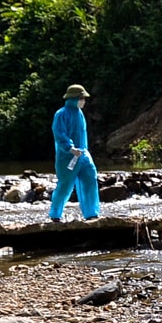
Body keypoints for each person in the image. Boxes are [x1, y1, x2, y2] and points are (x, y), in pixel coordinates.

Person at [49, 84, 100, 222]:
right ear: (74, 98)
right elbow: (59, 134)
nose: (84, 101)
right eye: (82, 98)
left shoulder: (80, 113)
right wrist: (70, 148)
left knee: (90, 178)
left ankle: (92, 213)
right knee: (65, 186)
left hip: (83, 155)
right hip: (67, 157)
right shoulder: (61, 114)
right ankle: (55, 215)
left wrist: (82, 151)